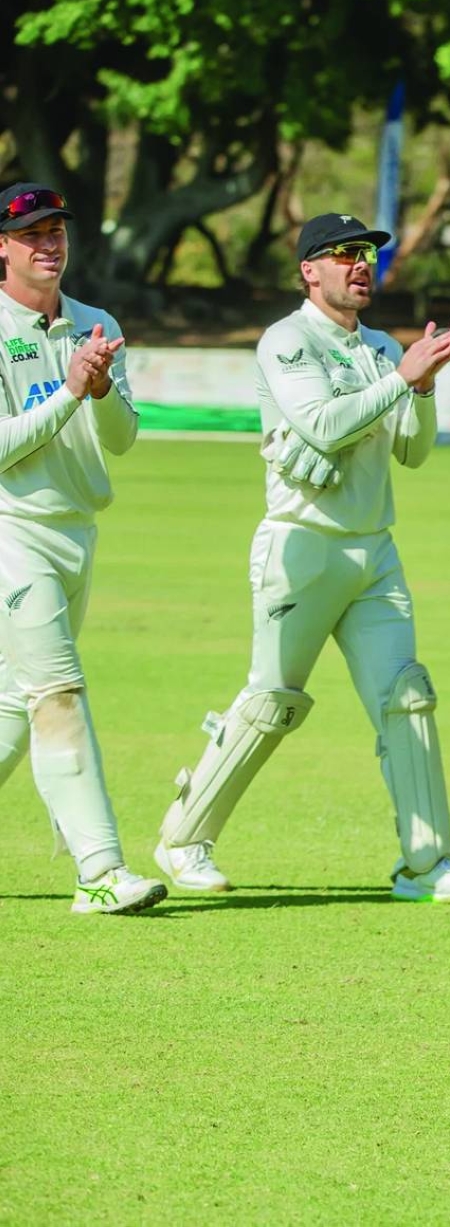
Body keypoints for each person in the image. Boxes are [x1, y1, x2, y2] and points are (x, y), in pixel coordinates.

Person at [155, 212, 450, 904]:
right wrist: (403, 378)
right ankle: (183, 839)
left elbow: (413, 450)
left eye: (367, 253)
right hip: (301, 546)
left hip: (374, 550)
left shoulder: (378, 346)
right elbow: (323, 424)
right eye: (344, 253)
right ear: (310, 269)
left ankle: (426, 865)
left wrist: (422, 387)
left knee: (409, 698)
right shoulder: (286, 340)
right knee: (271, 702)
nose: (361, 263)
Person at [0, 181, 167, 915]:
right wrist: (68, 392)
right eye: (32, 232)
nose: (49, 243)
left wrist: (98, 392)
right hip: (12, 529)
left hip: (78, 532)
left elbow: (124, 439)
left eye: (57, 230)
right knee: (59, 691)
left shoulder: (96, 323)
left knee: (15, 702)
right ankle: (101, 870)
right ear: (1, 247)